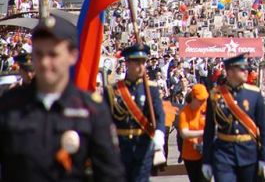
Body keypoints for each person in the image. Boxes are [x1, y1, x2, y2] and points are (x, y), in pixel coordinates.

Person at [0, 14, 124, 180]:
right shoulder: (10, 106)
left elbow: (110, 174)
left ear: (72, 55)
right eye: (39, 54)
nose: (45, 62)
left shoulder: (90, 110)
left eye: (53, 54)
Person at [202, 54, 265, 181]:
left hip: (249, 153)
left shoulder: (254, 94)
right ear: (230, 71)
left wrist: (264, 158)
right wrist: (207, 160)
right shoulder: (215, 95)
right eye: (242, 69)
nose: (246, 72)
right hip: (223, 154)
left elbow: (264, 127)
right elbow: (209, 130)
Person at [105, 43, 167, 182]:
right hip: (120, 147)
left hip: (142, 145)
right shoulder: (113, 91)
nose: (141, 66)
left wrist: (160, 133)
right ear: (127, 63)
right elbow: (105, 120)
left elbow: (159, 115)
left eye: (143, 62)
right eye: (137, 62)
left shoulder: (150, 89)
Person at [178, 84, 209, 182]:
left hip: (206, 152)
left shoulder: (206, 108)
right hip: (190, 155)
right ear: (193, 98)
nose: (203, 102)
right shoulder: (184, 112)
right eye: (200, 100)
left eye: (204, 99)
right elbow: (184, 133)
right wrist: (203, 133)